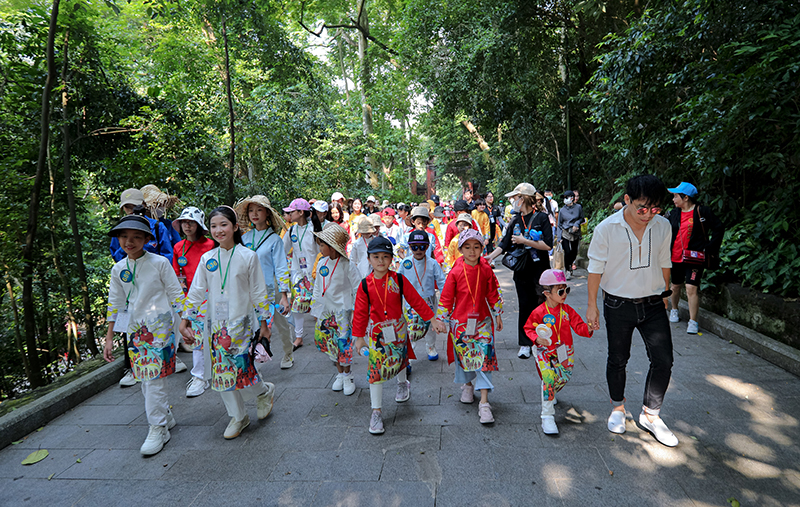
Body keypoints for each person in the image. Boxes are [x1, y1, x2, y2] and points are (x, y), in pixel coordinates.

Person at [586, 175, 678, 447]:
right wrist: (592, 305)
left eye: (655, 208)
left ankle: (651, 414)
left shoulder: (662, 226)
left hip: (652, 303)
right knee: (618, 358)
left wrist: (665, 291)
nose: (648, 214)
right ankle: (618, 408)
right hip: (617, 303)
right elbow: (595, 269)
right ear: (626, 200)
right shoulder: (607, 229)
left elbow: (664, 261)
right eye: (641, 208)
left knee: (664, 360)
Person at [180, 206, 275, 440]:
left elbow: (259, 292)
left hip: (242, 325)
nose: (218, 230)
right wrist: (185, 319)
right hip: (215, 326)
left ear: (235, 227)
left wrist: (264, 323)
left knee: (243, 372)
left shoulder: (247, 256)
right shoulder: (207, 259)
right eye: (213, 226)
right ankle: (238, 416)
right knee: (221, 373)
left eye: (223, 225)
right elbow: (195, 292)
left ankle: (264, 392)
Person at [103, 214, 185, 455]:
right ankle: (164, 416)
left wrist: (187, 324)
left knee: (153, 378)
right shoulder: (118, 269)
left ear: (147, 239)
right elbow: (115, 304)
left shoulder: (160, 263)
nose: (130, 242)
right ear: (118, 239)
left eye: (137, 237)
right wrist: (109, 337)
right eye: (125, 237)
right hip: (135, 332)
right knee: (144, 378)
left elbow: (175, 294)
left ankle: (157, 427)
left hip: (160, 329)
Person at [352, 237, 435, 435]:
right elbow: (360, 312)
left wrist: (432, 319)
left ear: (391, 259)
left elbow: (416, 300)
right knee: (376, 372)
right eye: (376, 257)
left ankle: (402, 384)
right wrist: (359, 336)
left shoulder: (398, 279)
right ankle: (376, 411)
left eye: (385, 257)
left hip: (398, 330)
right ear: (369, 259)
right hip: (377, 336)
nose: (381, 261)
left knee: (400, 361)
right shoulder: (365, 285)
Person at [434, 229, 503, 424]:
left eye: (476, 247)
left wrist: (497, 313)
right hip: (461, 323)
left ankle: (484, 403)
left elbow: (493, 293)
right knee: (464, 357)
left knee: (485, 359)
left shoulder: (486, 269)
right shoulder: (455, 271)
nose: (472, 251)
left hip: (483, 323)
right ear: (460, 249)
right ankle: (467, 385)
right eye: (467, 247)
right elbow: (446, 298)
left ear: (482, 248)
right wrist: (441, 320)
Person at [486, 183, 552, 360]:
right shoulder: (515, 220)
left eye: (516, 198)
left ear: (523, 198)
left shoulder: (542, 218)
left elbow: (548, 244)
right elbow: (504, 243)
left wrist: (525, 241)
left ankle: (540, 341)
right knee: (524, 306)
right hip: (521, 271)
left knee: (540, 306)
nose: (513, 201)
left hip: (540, 271)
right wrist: (490, 257)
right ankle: (525, 343)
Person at [523, 269, 593, 435]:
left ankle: (551, 391)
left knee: (564, 376)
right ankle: (547, 416)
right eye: (560, 291)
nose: (564, 294)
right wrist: (535, 338)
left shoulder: (567, 310)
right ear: (547, 293)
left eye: (566, 290)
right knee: (548, 378)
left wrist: (589, 328)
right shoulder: (538, 312)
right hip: (544, 351)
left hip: (564, 351)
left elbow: (579, 327)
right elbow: (528, 328)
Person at [235, 195, 294, 372]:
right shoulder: (245, 238)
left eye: (259, 210)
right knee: (254, 324)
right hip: (250, 289)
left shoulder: (274, 239)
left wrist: (284, 294)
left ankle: (288, 352)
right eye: (251, 210)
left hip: (271, 288)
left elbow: (281, 267)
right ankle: (256, 355)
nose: (254, 214)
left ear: (267, 213)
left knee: (281, 324)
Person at [665, 182, 725, 334]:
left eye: (675, 196)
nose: (673, 199)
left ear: (686, 198)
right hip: (675, 257)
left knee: (691, 287)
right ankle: (675, 309)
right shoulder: (673, 213)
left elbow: (719, 228)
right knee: (675, 286)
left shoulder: (702, 212)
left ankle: (693, 321)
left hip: (694, 258)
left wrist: (710, 247)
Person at [311, 224, 361, 396]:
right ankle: (339, 374)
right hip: (327, 311)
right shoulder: (321, 263)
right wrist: (316, 310)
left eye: (322, 244)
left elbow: (358, 288)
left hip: (343, 312)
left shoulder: (347, 265)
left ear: (332, 247)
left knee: (343, 343)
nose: (320, 248)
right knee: (332, 344)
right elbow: (318, 287)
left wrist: (357, 311)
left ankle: (348, 375)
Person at [171, 206, 216, 397]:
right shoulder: (178, 247)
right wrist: (182, 302)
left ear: (199, 225)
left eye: (191, 222)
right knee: (197, 336)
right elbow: (176, 275)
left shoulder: (212, 245)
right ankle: (199, 376)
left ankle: (218, 367)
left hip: (213, 295)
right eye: (184, 222)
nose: (187, 226)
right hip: (192, 297)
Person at [397, 230, 446, 361]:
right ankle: (410, 352)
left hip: (429, 300)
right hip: (410, 303)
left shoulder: (432, 263)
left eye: (422, 246)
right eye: (414, 247)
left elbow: (441, 281)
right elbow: (397, 281)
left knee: (431, 326)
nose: (418, 250)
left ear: (428, 247)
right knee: (411, 328)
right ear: (409, 247)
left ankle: (431, 347)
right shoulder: (405, 263)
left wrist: (445, 298)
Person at [282, 198, 322, 350]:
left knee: (318, 304)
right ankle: (299, 337)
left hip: (314, 273)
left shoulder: (314, 230)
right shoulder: (291, 230)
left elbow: (321, 252)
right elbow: (283, 250)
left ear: (300, 212)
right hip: (297, 273)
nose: (289, 214)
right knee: (297, 305)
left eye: (291, 211)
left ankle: (322, 335)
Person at [110, 188, 173, 263]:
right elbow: (116, 257)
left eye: (134, 206)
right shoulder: (120, 228)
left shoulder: (157, 227)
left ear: (143, 204)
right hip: (129, 272)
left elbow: (167, 257)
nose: (131, 210)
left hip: (154, 272)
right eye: (127, 207)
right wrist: (126, 245)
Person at [557, 190, 585, 280]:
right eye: (564, 198)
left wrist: (576, 224)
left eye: (566, 197)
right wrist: (559, 237)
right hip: (565, 232)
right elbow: (559, 224)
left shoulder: (578, 207)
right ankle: (567, 270)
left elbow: (582, 218)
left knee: (574, 252)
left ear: (572, 198)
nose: (565, 199)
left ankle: (570, 265)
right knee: (567, 252)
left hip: (575, 233)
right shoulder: (562, 210)